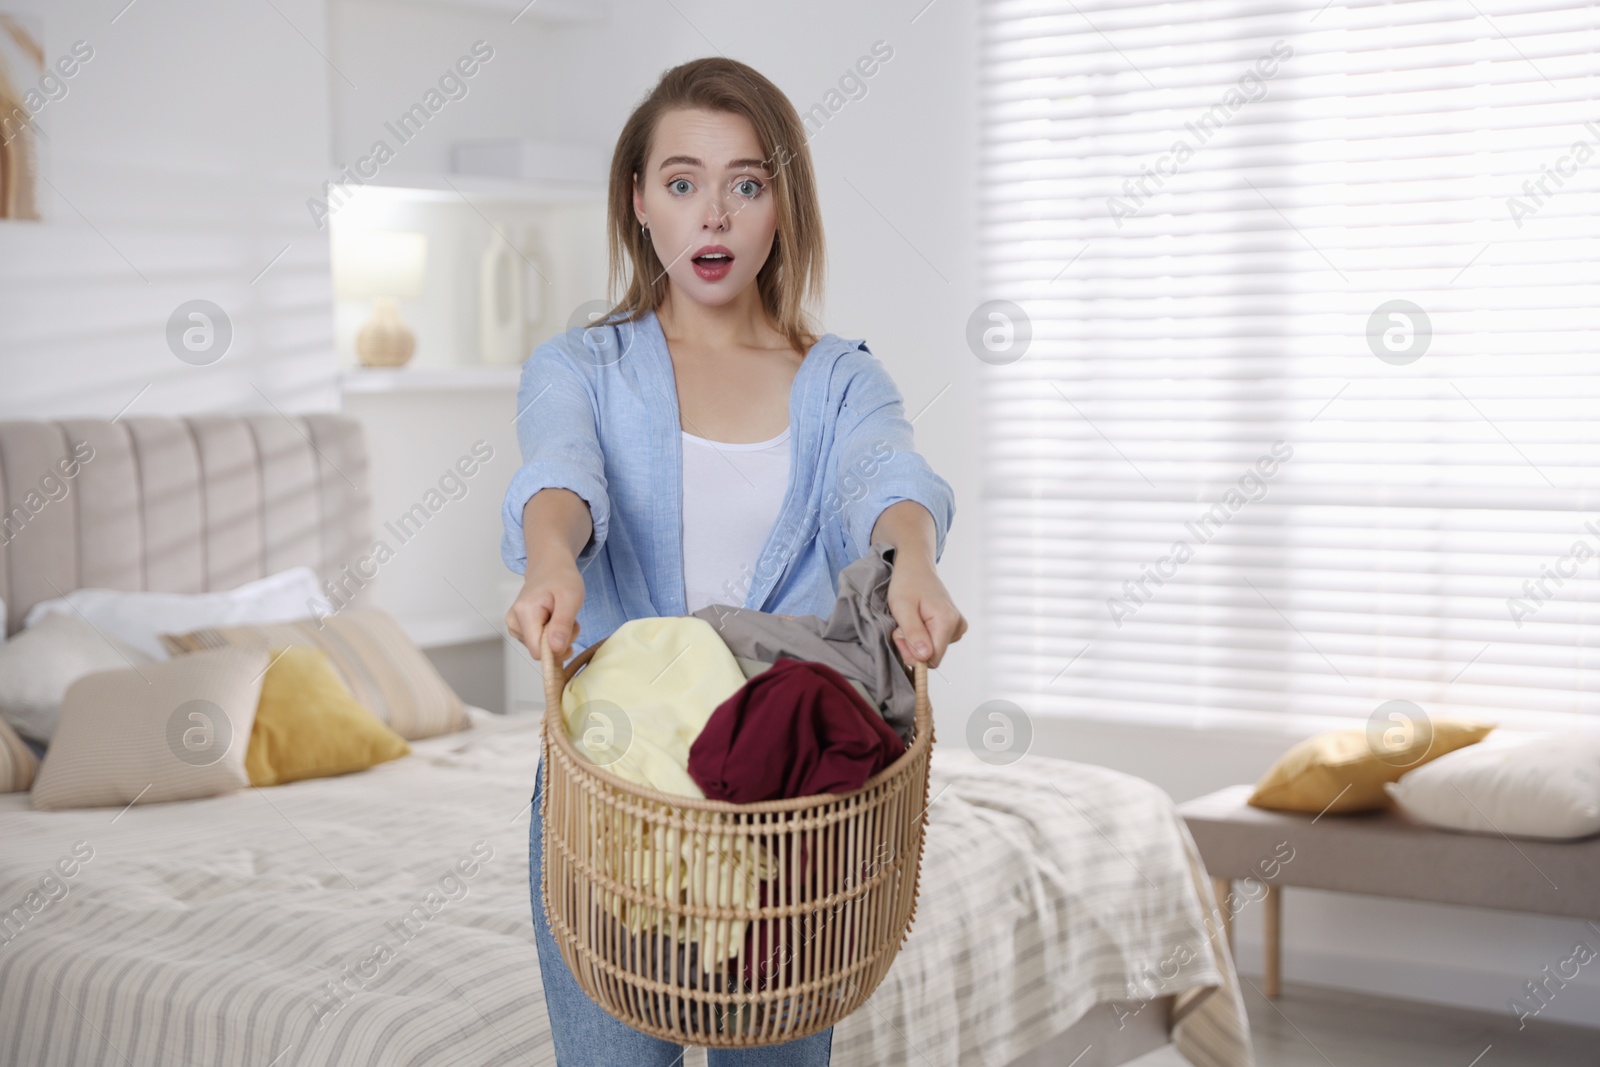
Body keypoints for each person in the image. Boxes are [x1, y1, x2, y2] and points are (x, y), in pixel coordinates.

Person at [501, 55, 966, 1067]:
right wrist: (551, 559)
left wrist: (913, 559)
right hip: (613, 797)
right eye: (682, 182)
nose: (712, 214)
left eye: (745, 183)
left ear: (779, 205)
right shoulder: (582, 366)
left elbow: (886, 475)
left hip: (785, 806)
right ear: (638, 202)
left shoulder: (840, 379)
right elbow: (560, 471)